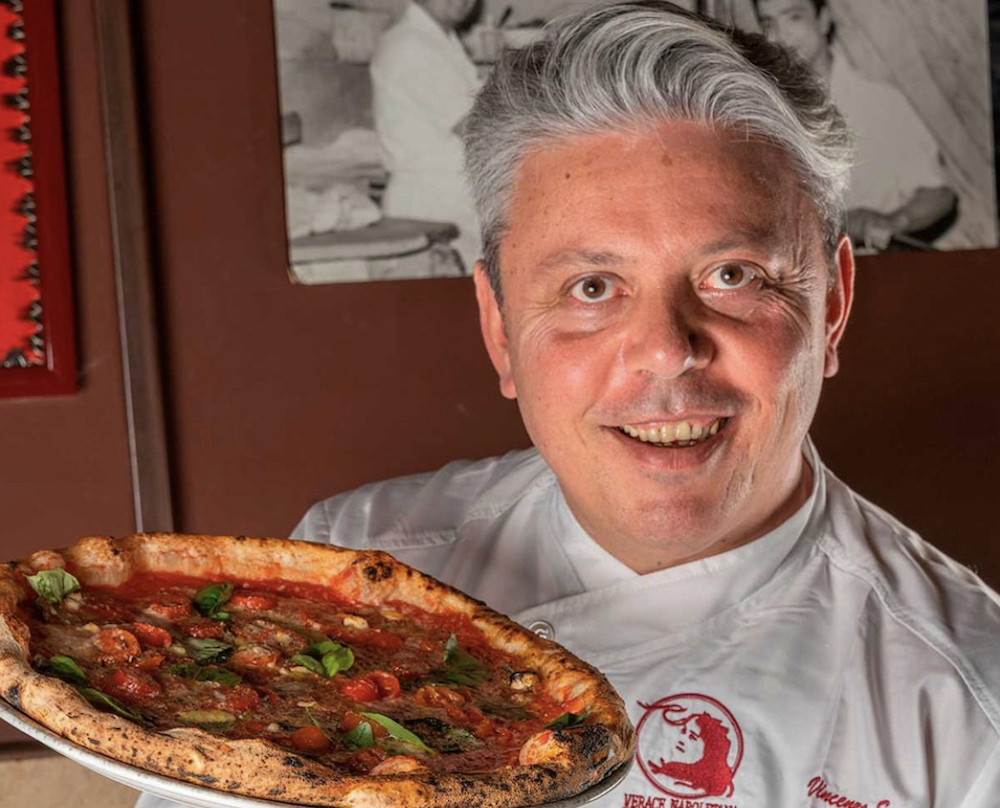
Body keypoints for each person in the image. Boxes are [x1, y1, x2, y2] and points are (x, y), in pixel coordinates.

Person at [136, 3, 1000, 807]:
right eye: (592, 287)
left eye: (731, 276)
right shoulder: (346, 567)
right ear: (500, 328)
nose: (666, 348)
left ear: (834, 305)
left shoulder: (969, 699)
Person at [753, 0, 958, 251]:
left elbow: (938, 195)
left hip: (876, 273)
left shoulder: (880, 103)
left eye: (794, 18)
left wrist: (892, 222)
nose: (779, 35)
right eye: (767, 23)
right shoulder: (756, 113)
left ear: (824, 20)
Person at [368, 0, 482, 272]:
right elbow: (476, 126)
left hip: (449, 200)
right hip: (429, 205)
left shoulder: (441, 41)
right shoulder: (410, 46)